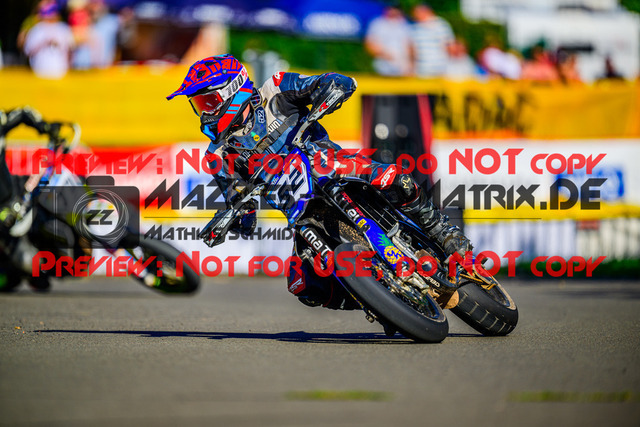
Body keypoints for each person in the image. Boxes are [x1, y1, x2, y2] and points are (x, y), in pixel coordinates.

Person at [166, 55, 471, 310]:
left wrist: (331, 89)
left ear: (233, 91)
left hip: (334, 168)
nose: (204, 112)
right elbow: (242, 206)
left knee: (396, 179)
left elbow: (334, 82)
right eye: (198, 105)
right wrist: (230, 220)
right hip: (301, 214)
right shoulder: (218, 154)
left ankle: (443, 232)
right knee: (303, 285)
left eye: (208, 101)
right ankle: (382, 303)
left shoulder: (276, 89)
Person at [23, 1, 75, 79]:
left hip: (61, 74)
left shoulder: (64, 29)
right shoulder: (36, 30)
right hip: (40, 73)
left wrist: (69, 67)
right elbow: (28, 51)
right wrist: (43, 43)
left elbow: (71, 51)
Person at [364, 5, 414, 76]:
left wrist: (411, 63)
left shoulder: (404, 24)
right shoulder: (377, 23)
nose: (393, 11)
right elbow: (370, 43)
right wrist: (385, 55)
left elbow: (410, 45)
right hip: (383, 63)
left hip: (403, 65)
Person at [411, 4, 454, 78]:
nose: (415, 15)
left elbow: (449, 46)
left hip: (440, 67)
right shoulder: (415, 28)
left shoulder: (441, 25)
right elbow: (413, 49)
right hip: (422, 69)